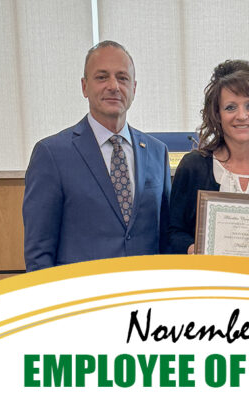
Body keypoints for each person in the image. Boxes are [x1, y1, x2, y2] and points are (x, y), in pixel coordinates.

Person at [23, 40, 170, 271]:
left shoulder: (156, 152)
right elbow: (39, 253)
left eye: (122, 78)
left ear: (134, 88)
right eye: (102, 77)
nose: (113, 86)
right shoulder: (51, 154)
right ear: (84, 86)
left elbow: (166, 238)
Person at [169, 60, 249, 254]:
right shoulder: (194, 167)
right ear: (217, 114)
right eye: (230, 107)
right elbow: (172, 233)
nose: (242, 116)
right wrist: (194, 249)